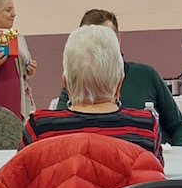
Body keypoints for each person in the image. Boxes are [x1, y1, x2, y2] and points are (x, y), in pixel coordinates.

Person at [22, 25, 162, 163]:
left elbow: (19, 175)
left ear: (66, 84)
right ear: (119, 83)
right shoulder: (145, 128)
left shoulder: (39, 128)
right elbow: (156, 175)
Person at [55, 9, 182, 147]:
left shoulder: (146, 75)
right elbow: (60, 134)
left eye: (106, 39)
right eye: (92, 40)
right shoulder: (75, 83)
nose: (99, 47)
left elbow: (180, 127)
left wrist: (176, 156)